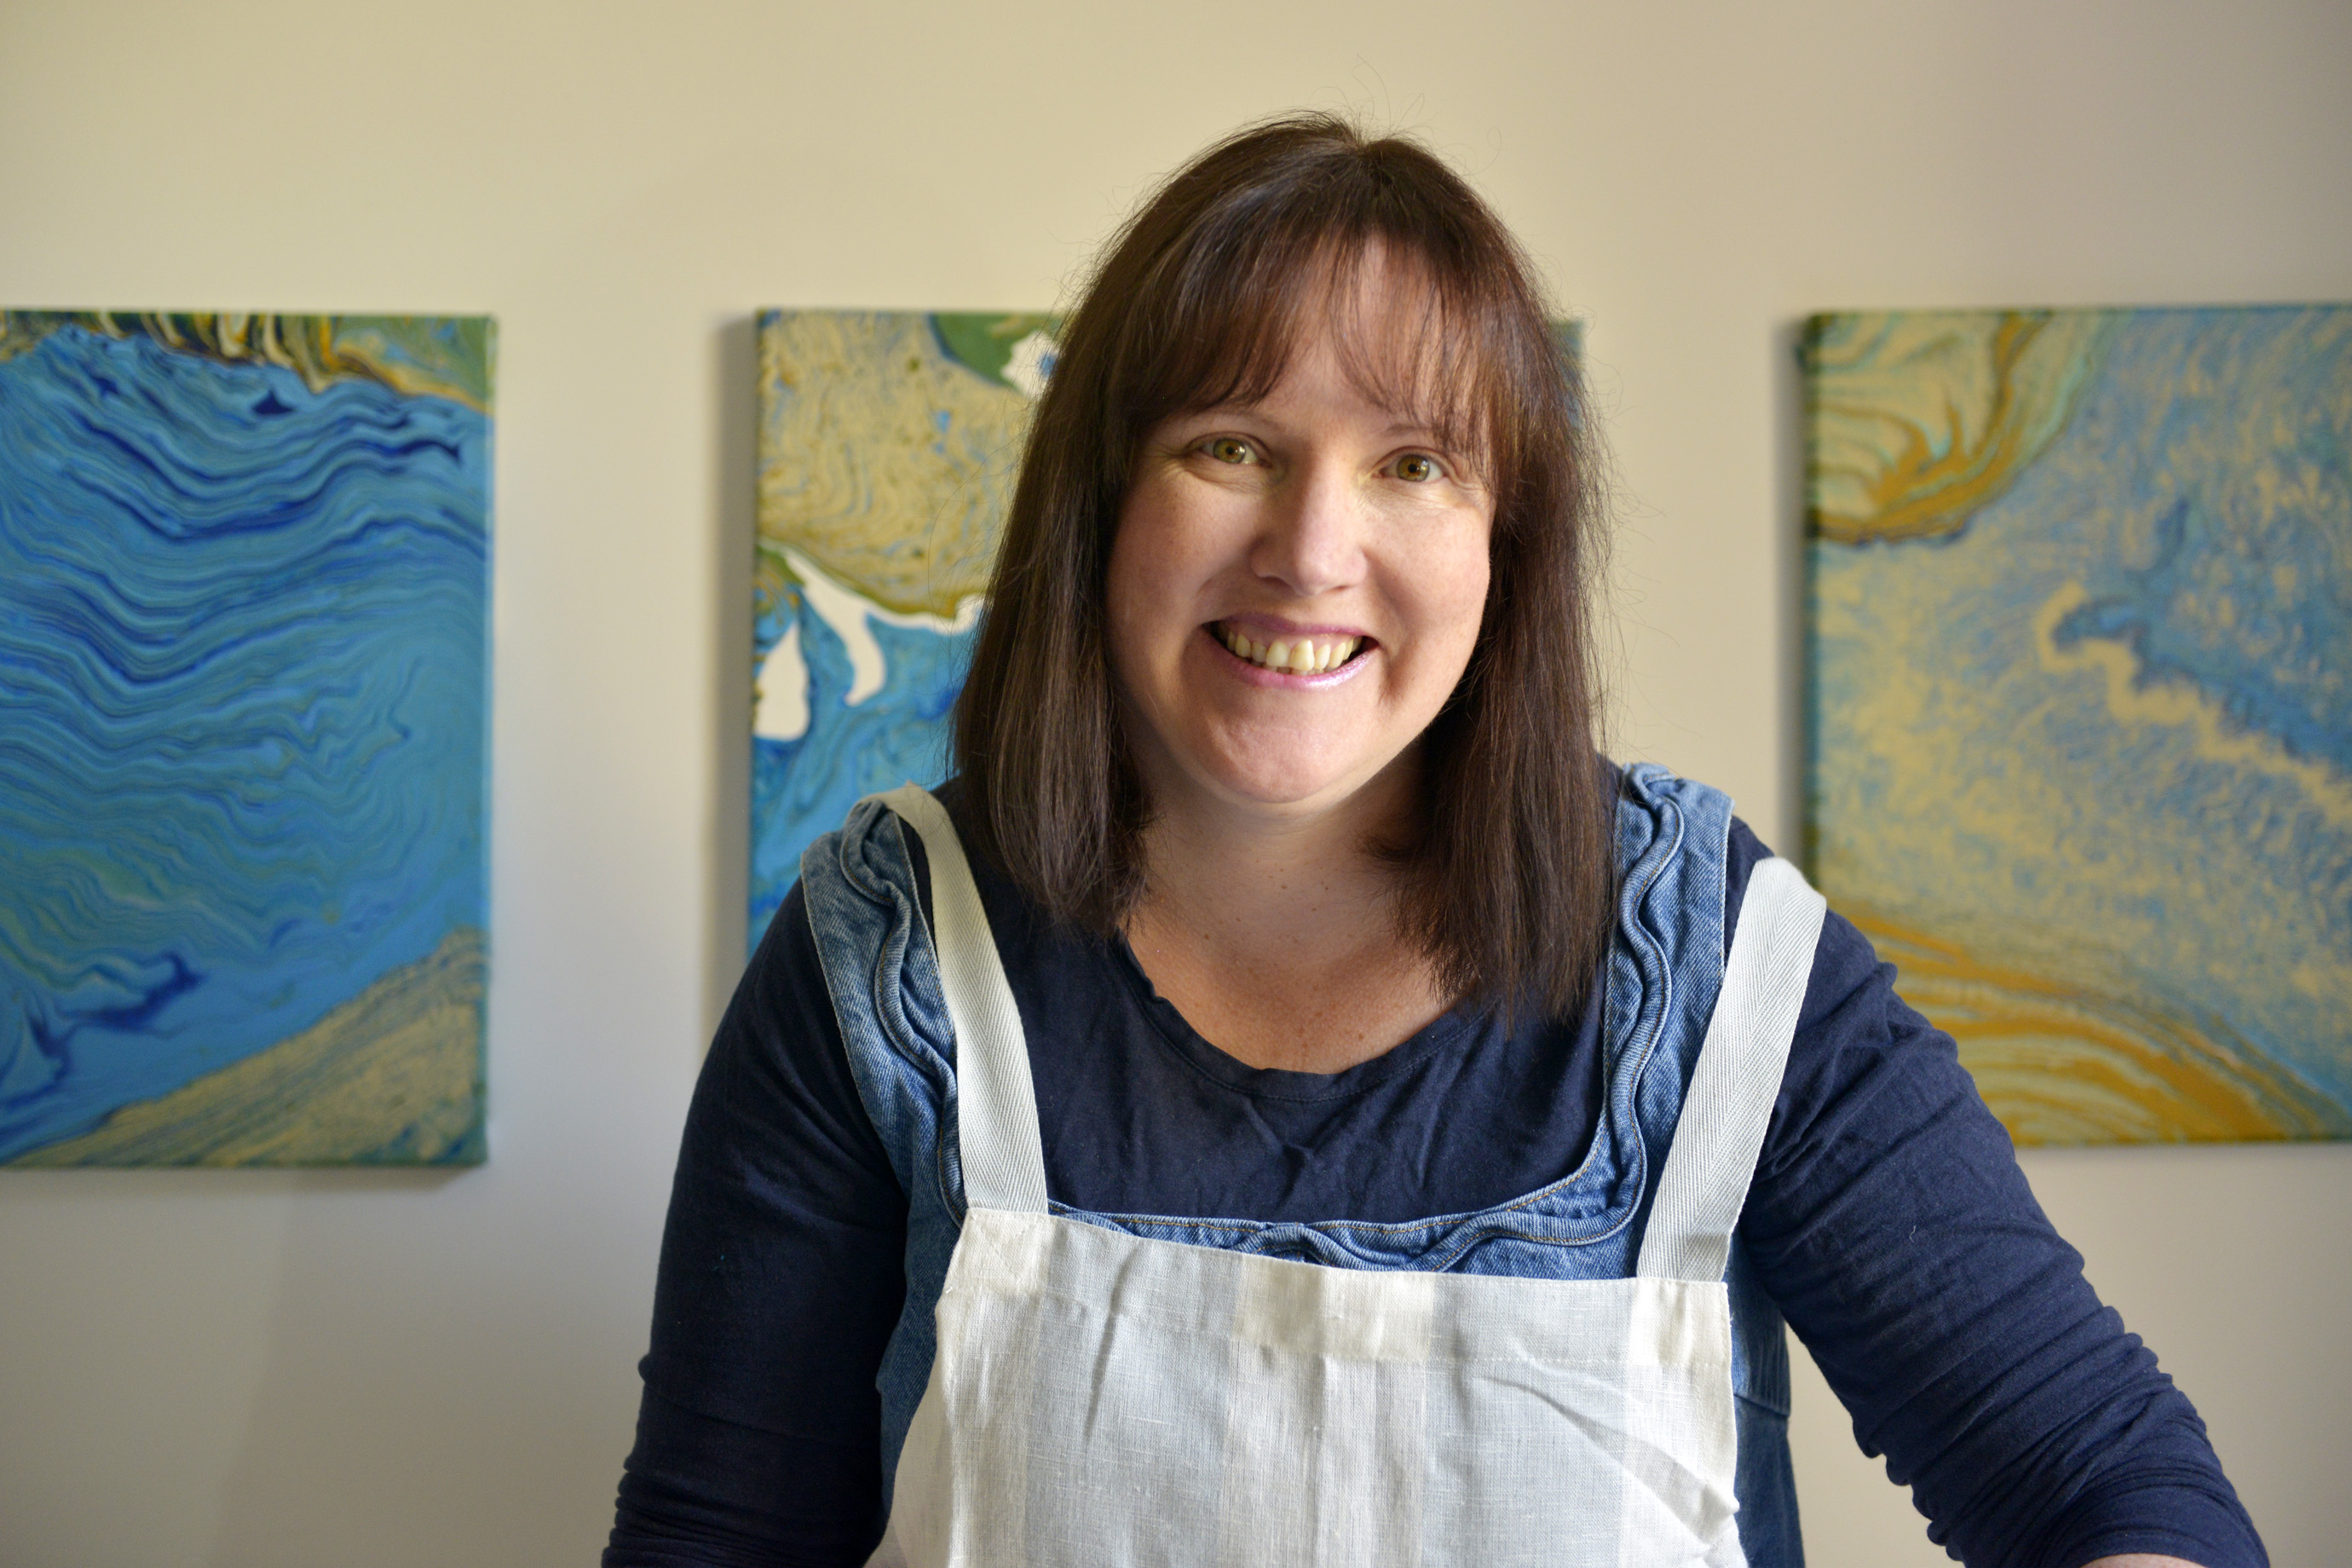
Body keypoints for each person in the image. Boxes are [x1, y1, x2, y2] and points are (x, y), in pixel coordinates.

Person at [606, 115, 2264, 1568]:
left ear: (1504, 550)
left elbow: (2104, 1485)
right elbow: (716, 1535)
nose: (1313, 546)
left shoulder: (1714, 963)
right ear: (1101, 502)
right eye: (1233, 445)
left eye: (1413, 463)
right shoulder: (890, 951)